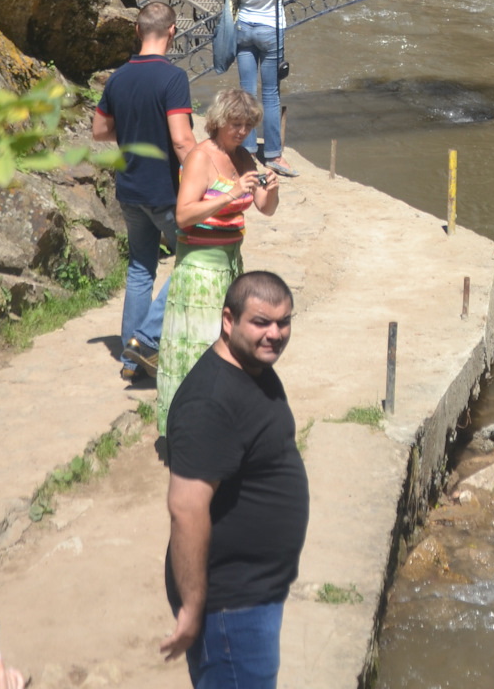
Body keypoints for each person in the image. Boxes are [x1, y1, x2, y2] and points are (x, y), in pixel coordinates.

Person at [161, 270, 309, 689]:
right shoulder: (208, 402)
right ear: (228, 320)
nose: (275, 334)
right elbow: (186, 508)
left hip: (255, 595)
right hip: (229, 608)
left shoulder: (254, 370)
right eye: (261, 322)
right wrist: (192, 607)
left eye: (284, 322)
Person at [156, 88, 279, 438]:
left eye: (247, 125)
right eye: (235, 124)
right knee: (200, 348)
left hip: (230, 268)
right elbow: (183, 216)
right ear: (219, 121)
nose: (241, 132)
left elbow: (265, 208)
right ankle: (190, 431)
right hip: (199, 271)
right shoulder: (200, 157)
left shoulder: (243, 158)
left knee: (229, 350)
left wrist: (271, 189)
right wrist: (228, 195)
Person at [93, 0, 196, 381]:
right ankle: (145, 340)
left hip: (130, 190)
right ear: (173, 31)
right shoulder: (173, 78)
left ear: (137, 31)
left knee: (140, 270)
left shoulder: (118, 77)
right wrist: (210, 177)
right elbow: (182, 140)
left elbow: (100, 130)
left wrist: (137, 130)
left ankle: (132, 361)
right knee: (193, 260)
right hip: (166, 193)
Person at [234, 0, 311, 178]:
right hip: (269, 31)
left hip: (243, 30)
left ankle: (246, 150)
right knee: (270, 94)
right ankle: (275, 155)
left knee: (247, 93)